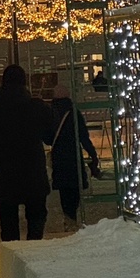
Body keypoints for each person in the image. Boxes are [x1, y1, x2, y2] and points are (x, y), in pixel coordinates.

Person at [0, 64, 56, 242]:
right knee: (36, 217)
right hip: (33, 171)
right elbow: (51, 135)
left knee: (9, 224)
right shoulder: (35, 107)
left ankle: (14, 260)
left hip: (6, 173)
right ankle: (33, 254)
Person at [49, 84, 100, 230]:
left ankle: (68, 218)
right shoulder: (73, 113)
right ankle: (72, 217)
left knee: (64, 190)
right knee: (74, 187)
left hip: (58, 157)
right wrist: (92, 154)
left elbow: (47, 136)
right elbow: (83, 136)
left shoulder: (51, 113)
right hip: (73, 156)